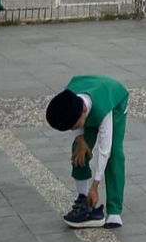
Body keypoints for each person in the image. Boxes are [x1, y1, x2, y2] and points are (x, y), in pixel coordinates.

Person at [46, 75, 129, 229]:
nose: (74, 129)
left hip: (114, 101)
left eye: (75, 126)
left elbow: (105, 150)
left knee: (115, 155)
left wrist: (95, 186)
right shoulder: (68, 101)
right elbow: (75, 124)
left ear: (84, 111)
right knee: (78, 151)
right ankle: (83, 197)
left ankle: (114, 211)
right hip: (90, 101)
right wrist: (80, 140)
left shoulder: (104, 110)